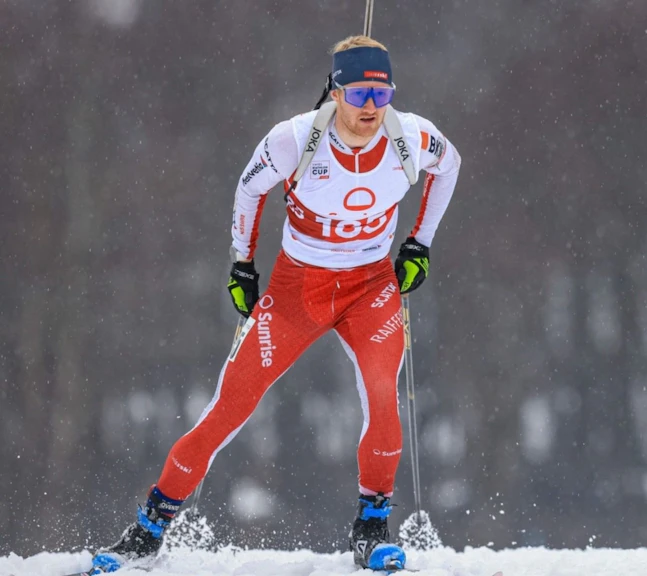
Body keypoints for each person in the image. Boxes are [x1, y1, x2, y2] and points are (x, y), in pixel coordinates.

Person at [91, 35, 460, 574]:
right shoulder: (295, 140)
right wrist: (242, 263)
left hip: (372, 286)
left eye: (381, 97)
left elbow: (450, 167)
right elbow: (248, 190)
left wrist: (419, 243)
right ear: (335, 91)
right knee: (231, 406)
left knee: (383, 397)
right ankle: (150, 527)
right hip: (298, 289)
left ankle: (372, 527)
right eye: (358, 95)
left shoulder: (412, 138)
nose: (369, 110)